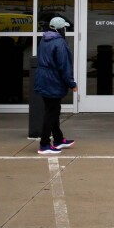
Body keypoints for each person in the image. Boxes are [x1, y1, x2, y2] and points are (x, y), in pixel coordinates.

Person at [34, 17, 77, 155]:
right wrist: (71, 83)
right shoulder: (59, 43)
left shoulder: (44, 40)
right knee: (51, 113)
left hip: (44, 79)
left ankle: (58, 139)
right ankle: (44, 144)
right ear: (59, 28)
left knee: (53, 110)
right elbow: (64, 66)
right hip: (53, 81)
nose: (65, 30)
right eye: (64, 27)